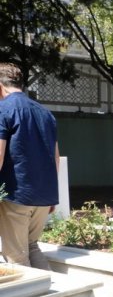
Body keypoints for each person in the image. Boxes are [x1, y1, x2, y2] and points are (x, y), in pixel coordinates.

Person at [0, 62, 59, 270]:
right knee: (32, 246)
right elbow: (56, 157)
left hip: (17, 195)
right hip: (43, 196)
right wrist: (52, 195)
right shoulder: (45, 113)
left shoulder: (3, 109)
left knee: (17, 257)